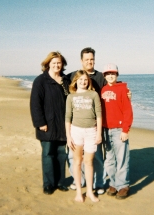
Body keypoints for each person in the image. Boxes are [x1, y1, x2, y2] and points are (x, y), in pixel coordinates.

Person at [30, 51, 71, 195]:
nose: (56, 65)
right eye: (53, 63)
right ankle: (48, 184)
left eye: (59, 63)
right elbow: (35, 104)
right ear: (48, 64)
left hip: (63, 125)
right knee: (48, 154)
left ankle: (60, 182)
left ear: (63, 64)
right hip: (47, 125)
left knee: (61, 154)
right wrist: (40, 122)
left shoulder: (66, 80)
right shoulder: (40, 81)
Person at [67, 47, 106, 194]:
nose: (89, 62)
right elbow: (60, 84)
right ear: (81, 61)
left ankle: (99, 183)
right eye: (86, 59)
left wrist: (126, 92)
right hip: (77, 126)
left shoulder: (101, 77)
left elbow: (113, 86)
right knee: (74, 156)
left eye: (92, 59)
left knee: (96, 157)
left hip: (93, 126)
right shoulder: (73, 76)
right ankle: (79, 181)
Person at [65, 70, 102, 202]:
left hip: (91, 131)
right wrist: (68, 137)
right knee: (77, 162)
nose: (83, 82)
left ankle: (90, 192)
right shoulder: (71, 97)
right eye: (80, 79)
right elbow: (68, 117)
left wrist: (98, 133)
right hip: (76, 132)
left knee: (88, 162)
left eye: (85, 80)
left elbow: (98, 115)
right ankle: (79, 192)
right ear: (75, 81)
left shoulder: (93, 94)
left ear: (88, 81)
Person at [101, 63, 133, 200]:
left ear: (117, 75)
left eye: (113, 73)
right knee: (109, 160)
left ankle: (123, 185)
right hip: (105, 129)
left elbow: (128, 111)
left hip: (119, 129)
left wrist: (125, 130)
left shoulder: (122, 89)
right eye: (107, 74)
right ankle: (113, 182)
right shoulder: (102, 90)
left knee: (122, 158)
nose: (110, 76)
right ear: (104, 76)